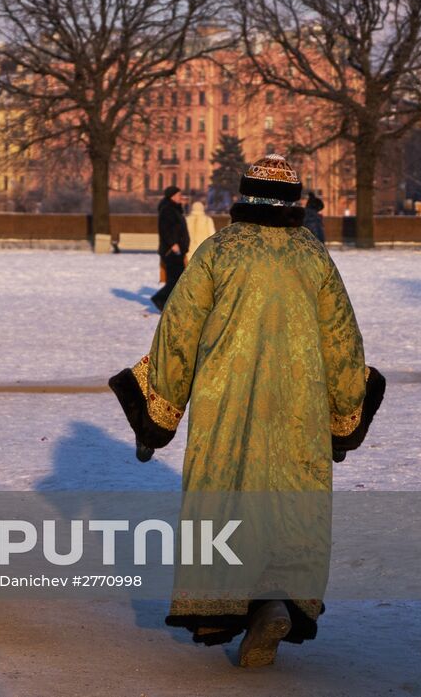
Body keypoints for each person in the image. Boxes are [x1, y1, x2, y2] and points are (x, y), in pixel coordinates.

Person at [109, 154, 385, 667]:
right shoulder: (314, 256)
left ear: (243, 194)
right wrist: (345, 417)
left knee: (226, 498)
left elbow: (178, 334)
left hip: (227, 407)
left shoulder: (218, 250)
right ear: (294, 200)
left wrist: (157, 415)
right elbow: (344, 341)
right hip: (299, 410)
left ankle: (227, 607)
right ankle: (275, 600)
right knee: (288, 506)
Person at [150, 186, 190, 312]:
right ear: (172, 196)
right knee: (176, 279)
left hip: (177, 250)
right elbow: (165, 229)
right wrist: (174, 245)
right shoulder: (167, 210)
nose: (181, 197)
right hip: (171, 251)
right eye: (179, 195)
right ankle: (159, 299)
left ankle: (169, 303)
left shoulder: (175, 209)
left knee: (177, 279)